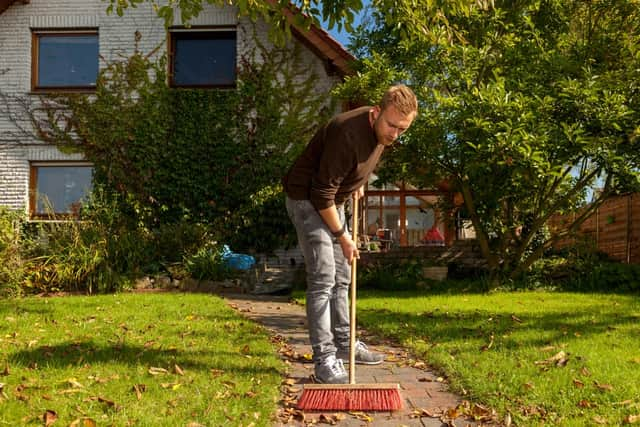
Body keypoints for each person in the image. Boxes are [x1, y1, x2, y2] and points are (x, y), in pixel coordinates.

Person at [282, 84, 418, 384]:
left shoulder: (383, 132)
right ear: (375, 113)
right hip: (308, 199)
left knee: (344, 275)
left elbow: (356, 165)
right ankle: (325, 359)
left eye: (402, 129)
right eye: (392, 126)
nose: (395, 134)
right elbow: (320, 194)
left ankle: (346, 344)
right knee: (324, 277)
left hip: (334, 199)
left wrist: (358, 183)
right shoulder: (348, 133)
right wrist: (343, 236)